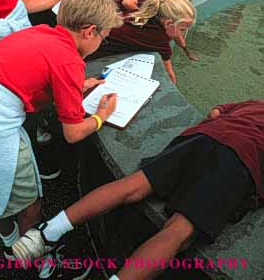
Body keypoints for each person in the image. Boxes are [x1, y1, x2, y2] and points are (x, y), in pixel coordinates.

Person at [13, 99, 264, 280]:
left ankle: (44, 234)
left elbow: (215, 112)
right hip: (240, 160)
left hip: (203, 138)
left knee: (131, 186)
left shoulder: (254, 104)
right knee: (177, 233)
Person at [0, 0, 122, 270]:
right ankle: (37, 261)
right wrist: (101, 116)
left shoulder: (38, 33)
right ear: (89, 31)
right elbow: (72, 133)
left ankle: (10, 239)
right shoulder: (69, 60)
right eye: (104, 36)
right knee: (30, 204)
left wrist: (75, 87)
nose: (102, 41)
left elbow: (28, 76)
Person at [88, 0, 196, 83]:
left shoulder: (151, 5)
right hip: (93, 52)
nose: (181, 33)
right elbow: (169, 75)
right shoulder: (158, 39)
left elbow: (175, 32)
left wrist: (185, 48)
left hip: (92, 27)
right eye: (182, 29)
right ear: (168, 23)